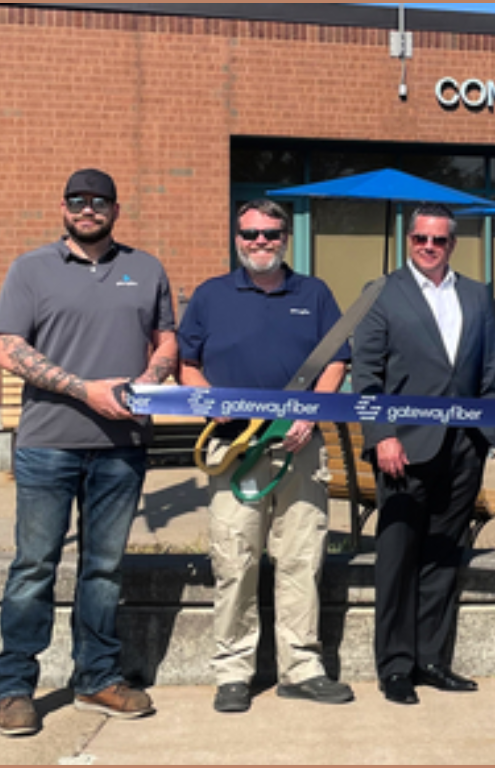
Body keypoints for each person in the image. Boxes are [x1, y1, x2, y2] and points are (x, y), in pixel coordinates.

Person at [0, 168, 177, 736]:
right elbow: (9, 349)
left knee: (104, 569)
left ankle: (96, 679)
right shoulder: (30, 269)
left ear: (116, 210)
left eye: (99, 201)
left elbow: (167, 340)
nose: (87, 208)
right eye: (77, 200)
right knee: (34, 566)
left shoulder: (146, 269)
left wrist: (145, 381)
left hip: (122, 447)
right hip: (49, 444)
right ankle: (15, 687)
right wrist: (85, 389)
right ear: (63, 207)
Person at [177, 199, 354, 712]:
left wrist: (310, 412)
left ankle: (302, 668)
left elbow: (336, 361)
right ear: (237, 238)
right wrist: (210, 404)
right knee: (235, 559)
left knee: (302, 557)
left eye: (271, 234)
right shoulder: (211, 295)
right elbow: (187, 365)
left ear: (285, 238)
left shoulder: (314, 293)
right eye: (251, 233)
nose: (261, 242)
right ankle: (234, 671)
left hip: (298, 448)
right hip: (235, 448)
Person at [351, 203, 495, 705]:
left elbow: (487, 372)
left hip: (463, 447)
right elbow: (366, 375)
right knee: (397, 557)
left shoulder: (476, 295)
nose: (429, 247)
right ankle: (395, 666)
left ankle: (432, 660)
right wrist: (382, 434)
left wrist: (488, 435)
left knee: (443, 555)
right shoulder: (381, 293)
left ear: (452, 244)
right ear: (409, 240)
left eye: (439, 240)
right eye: (421, 239)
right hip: (403, 446)